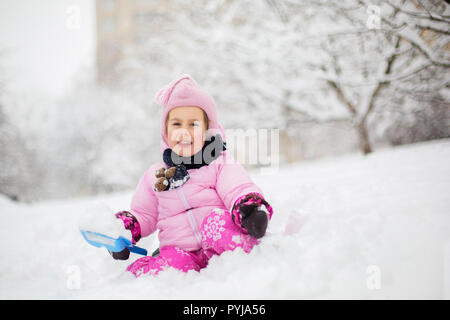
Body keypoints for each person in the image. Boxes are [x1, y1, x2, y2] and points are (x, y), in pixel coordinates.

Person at [112, 75, 273, 277]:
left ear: (206, 130)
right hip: (181, 251)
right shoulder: (155, 176)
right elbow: (145, 214)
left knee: (216, 223)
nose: (184, 132)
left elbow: (237, 188)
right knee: (168, 264)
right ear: (166, 131)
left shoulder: (219, 163)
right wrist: (125, 230)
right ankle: (145, 273)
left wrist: (249, 211)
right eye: (177, 124)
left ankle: (250, 251)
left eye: (193, 125)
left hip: (219, 245)